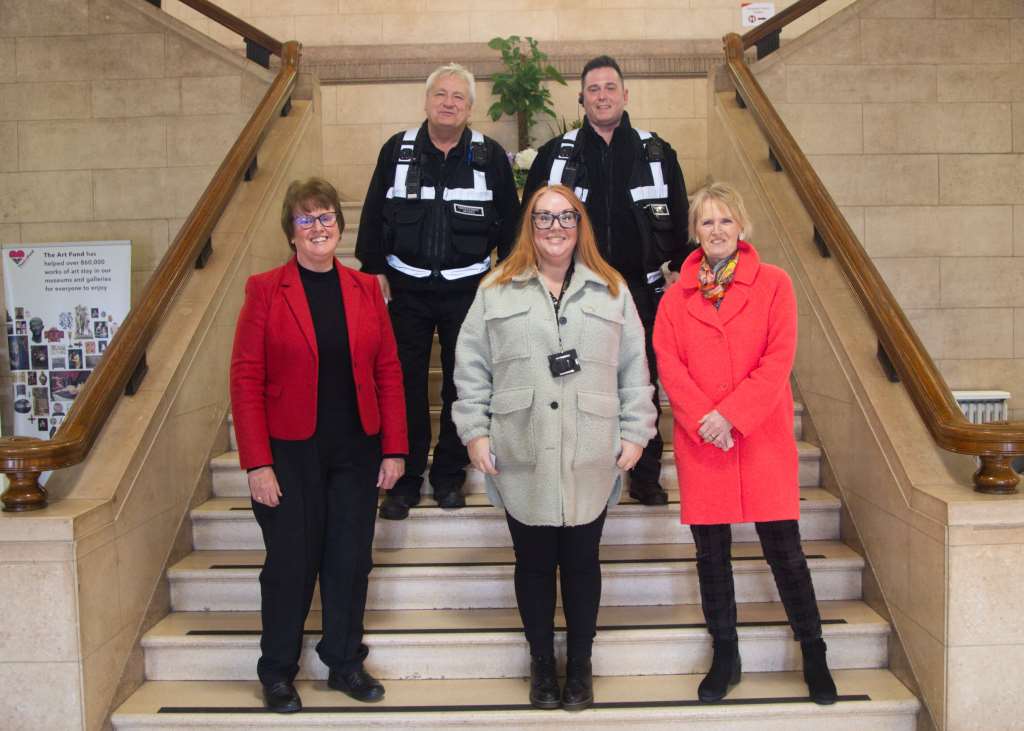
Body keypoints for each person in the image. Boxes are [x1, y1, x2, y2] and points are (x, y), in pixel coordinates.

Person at [453, 184, 657, 711]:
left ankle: (581, 666)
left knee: (583, 564)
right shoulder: (495, 288)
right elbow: (470, 368)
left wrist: (636, 432)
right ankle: (543, 665)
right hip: (521, 452)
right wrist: (474, 431)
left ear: (580, 224)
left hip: (593, 454)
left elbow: (636, 369)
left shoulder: (612, 289)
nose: (555, 227)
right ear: (529, 226)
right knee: (534, 565)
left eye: (565, 217)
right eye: (543, 218)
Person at [652, 182, 837, 705]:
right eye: (707, 222)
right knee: (711, 556)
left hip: (759, 436)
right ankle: (725, 655)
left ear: (743, 227)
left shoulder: (775, 284)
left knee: (785, 551)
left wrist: (731, 416)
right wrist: (704, 419)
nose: (716, 231)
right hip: (702, 438)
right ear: (694, 232)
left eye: (726, 221)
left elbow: (778, 360)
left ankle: (814, 649)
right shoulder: (674, 298)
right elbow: (669, 364)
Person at [230, 177, 407, 713]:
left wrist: (395, 448)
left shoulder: (363, 289)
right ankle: (278, 671)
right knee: (289, 561)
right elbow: (245, 378)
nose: (318, 228)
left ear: (340, 226)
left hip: (356, 448)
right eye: (306, 219)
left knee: (350, 560)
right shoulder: (266, 289)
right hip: (289, 451)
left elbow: (389, 371)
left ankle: (345, 662)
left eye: (326, 217)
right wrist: (257, 462)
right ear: (291, 232)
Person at [522, 55, 695, 507]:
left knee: (643, 384)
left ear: (625, 95)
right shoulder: (554, 156)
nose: (602, 95)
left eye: (610, 87)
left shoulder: (657, 152)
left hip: (644, 289)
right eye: (594, 89)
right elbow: (527, 226)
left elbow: (678, 224)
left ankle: (645, 475)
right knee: (578, 384)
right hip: (576, 290)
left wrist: (685, 275)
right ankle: (582, 472)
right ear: (582, 98)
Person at [356, 62, 519, 520]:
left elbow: (511, 225)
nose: (448, 103)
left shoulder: (489, 156)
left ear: (470, 107)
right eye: (440, 95)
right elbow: (372, 212)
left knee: (460, 387)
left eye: (458, 97)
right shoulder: (398, 150)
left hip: (466, 291)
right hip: (404, 290)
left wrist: (501, 278)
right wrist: (372, 267)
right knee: (403, 386)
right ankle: (404, 481)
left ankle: (449, 477)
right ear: (426, 102)